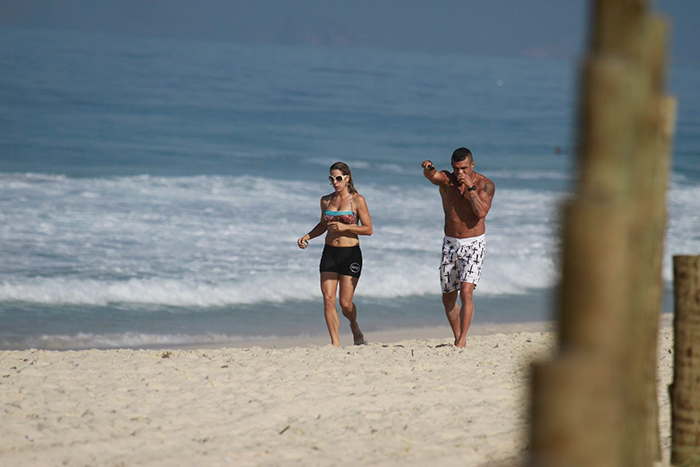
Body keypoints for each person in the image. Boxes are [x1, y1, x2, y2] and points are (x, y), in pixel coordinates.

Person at [421, 148, 495, 347]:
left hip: (474, 243)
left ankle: (462, 340)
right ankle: (457, 336)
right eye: (456, 168)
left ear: (472, 165)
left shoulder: (485, 185)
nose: (459, 173)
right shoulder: (448, 180)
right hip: (450, 243)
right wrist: (428, 169)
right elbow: (433, 177)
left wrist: (470, 188)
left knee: (466, 291)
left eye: (463, 168)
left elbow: (480, 213)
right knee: (448, 298)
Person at [297, 162, 373, 347]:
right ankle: (335, 343)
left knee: (345, 304)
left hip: (350, 254)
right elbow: (323, 225)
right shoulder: (325, 200)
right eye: (331, 179)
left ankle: (354, 327)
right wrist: (307, 236)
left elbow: (368, 229)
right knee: (328, 299)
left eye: (338, 178)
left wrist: (345, 226)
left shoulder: (357, 200)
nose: (335, 182)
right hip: (330, 252)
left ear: (347, 178)